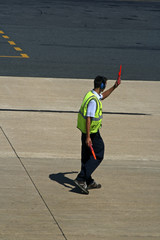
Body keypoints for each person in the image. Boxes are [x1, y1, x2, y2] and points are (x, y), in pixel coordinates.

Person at [74, 75, 121, 194]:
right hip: (92, 133)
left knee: (86, 156)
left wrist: (115, 86)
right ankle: (81, 179)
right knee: (98, 154)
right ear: (101, 85)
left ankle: (88, 181)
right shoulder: (93, 101)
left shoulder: (91, 94)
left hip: (86, 131)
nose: (105, 86)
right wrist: (89, 137)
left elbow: (103, 96)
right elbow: (89, 118)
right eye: (105, 84)